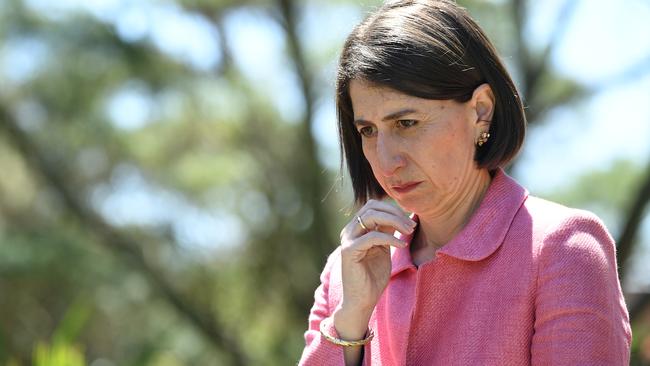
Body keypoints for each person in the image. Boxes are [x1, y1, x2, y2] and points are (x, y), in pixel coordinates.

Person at [298, 0, 632, 365]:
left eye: (406, 123)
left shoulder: (563, 250)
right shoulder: (346, 273)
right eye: (367, 130)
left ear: (480, 110)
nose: (385, 159)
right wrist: (350, 323)